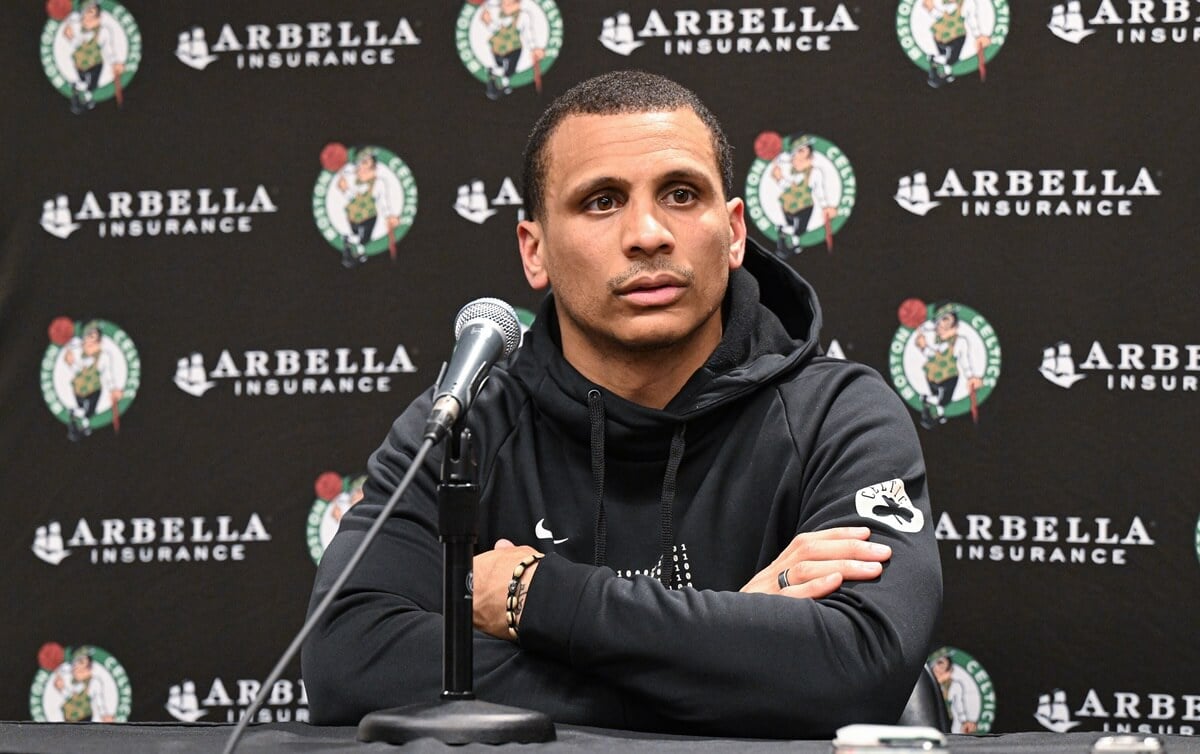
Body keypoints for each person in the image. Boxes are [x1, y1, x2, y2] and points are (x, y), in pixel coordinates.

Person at [303, 70, 941, 738]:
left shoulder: (839, 415)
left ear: (733, 233)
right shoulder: (466, 424)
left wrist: (534, 595)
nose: (647, 233)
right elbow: (348, 656)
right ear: (535, 249)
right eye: (602, 201)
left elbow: (858, 668)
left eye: (681, 193)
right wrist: (729, 657)